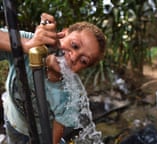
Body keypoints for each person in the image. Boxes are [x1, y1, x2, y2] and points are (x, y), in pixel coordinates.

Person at [0, 13, 106, 144]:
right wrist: (25, 45)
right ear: (63, 33)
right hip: (12, 120)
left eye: (83, 61)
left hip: (40, 134)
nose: (73, 58)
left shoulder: (71, 95)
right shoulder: (31, 46)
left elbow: (53, 137)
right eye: (74, 45)